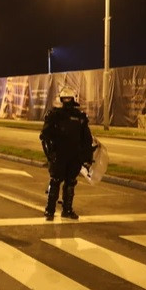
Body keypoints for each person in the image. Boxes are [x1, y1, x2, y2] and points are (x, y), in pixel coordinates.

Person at [40, 86, 94, 220]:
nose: (68, 100)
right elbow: (45, 136)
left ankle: (67, 210)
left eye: (69, 98)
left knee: (70, 182)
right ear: (61, 99)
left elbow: (86, 139)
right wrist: (50, 154)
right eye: (66, 98)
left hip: (74, 155)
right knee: (55, 181)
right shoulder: (55, 115)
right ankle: (50, 211)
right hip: (59, 155)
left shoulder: (80, 117)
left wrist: (87, 158)